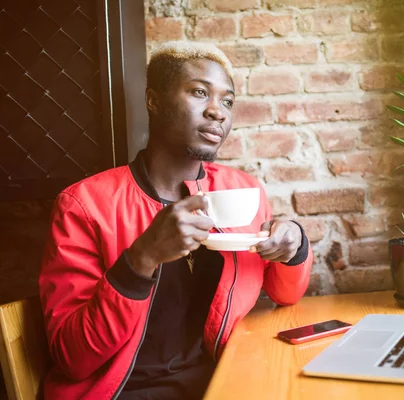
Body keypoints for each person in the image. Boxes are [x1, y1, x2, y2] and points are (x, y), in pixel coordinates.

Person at [38, 41, 313, 400]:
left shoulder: (240, 191)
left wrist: (293, 244)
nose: (218, 112)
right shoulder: (84, 205)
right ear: (154, 100)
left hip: (218, 383)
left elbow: (286, 293)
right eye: (200, 93)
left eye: (227, 101)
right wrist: (141, 259)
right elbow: (73, 357)